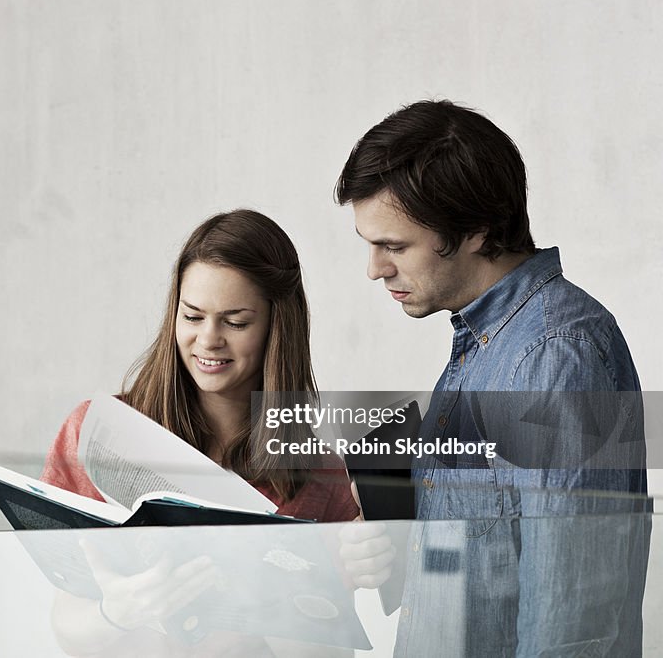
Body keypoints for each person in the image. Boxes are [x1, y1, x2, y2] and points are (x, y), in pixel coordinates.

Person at [334, 99, 649, 656]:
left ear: (476, 231)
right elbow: (482, 564)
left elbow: (570, 626)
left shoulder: (555, 357)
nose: (375, 268)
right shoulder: (484, 345)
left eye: (394, 246)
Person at [40, 209, 360, 656]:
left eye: (235, 322)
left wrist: (269, 592)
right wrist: (117, 611)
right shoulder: (99, 432)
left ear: (276, 326)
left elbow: (329, 651)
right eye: (192, 317)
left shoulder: (317, 469)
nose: (208, 340)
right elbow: (66, 627)